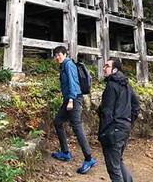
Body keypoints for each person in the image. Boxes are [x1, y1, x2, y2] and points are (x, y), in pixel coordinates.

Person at [51, 45, 97, 175]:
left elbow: (73, 82)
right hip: (69, 99)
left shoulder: (68, 64)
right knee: (58, 121)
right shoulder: (63, 65)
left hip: (74, 99)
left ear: (64, 54)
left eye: (59, 55)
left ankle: (89, 158)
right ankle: (65, 152)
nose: (57, 57)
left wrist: (71, 99)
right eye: (55, 55)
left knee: (76, 126)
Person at [98, 57, 140, 182]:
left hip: (113, 130)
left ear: (115, 69)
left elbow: (107, 111)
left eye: (107, 66)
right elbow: (136, 107)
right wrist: (127, 123)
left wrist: (104, 133)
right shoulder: (126, 84)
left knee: (114, 169)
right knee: (118, 161)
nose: (104, 68)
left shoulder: (111, 85)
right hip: (124, 128)